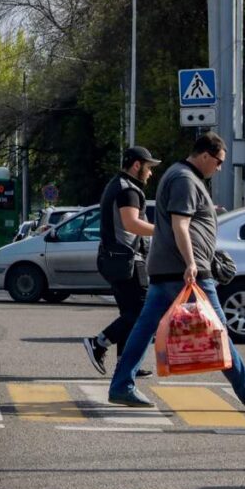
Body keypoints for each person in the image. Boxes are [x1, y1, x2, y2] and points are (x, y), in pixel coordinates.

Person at [108, 132, 245, 408]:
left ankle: (121, 385)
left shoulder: (183, 177)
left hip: (168, 268)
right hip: (185, 271)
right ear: (204, 155)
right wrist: (191, 262)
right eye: (218, 161)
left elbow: (185, 218)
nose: (219, 167)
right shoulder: (184, 179)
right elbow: (180, 224)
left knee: (144, 327)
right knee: (217, 327)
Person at [83, 146, 159, 378]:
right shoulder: (129, 191)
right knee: (143, 312)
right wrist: (164, 231)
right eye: (148, 167)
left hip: (116, 258)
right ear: (137, 165)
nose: (150, 173)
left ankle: (125, 365)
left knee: (131, 312)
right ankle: (99, 342)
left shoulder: (118, 185)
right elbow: (131, 224)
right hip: (126, 260)